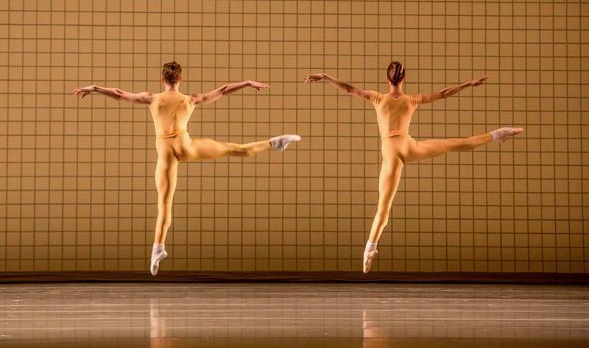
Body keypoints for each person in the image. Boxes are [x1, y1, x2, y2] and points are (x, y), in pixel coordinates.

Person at [73, 61, 301, 275]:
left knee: (164, 204)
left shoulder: (152, 99)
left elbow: (120, 94)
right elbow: (222, 90)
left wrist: (94, 88)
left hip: (165, 151)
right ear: (180, 78)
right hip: (186, 147)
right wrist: (247, 83)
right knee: (236, 149)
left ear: (162, 78)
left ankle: (157, 248)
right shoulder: (189, 100)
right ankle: (275, 142)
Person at [304, 61, 523, 273]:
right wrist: (468, 84)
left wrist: (325, 76)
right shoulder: (412, 100)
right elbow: (444, 93)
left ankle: (370, 247)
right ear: (404, 78)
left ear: (386, 79)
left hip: (391, 152)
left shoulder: (378, 98)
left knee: (383, 207)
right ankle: (496, 134)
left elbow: (349, 89)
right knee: (457, 144)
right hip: (410, 147)